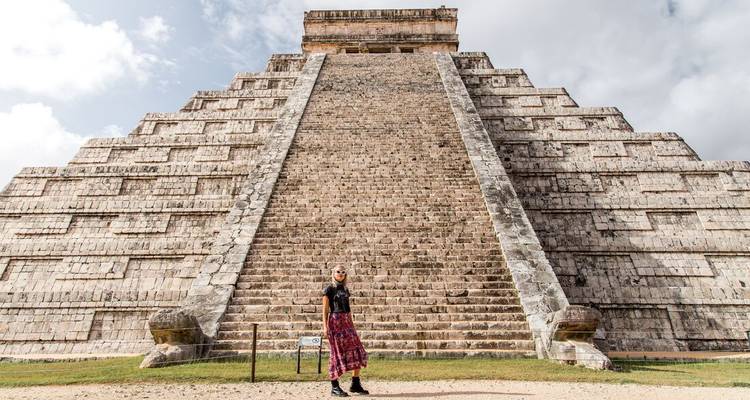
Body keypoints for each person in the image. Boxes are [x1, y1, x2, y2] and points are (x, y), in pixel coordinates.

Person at [323, 266, 369, 397]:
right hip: (335, 322)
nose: (341, 274)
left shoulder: (345, 289)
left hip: (347, 322)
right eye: (338, 271)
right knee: (336, 353)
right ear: (333, 273)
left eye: (343, 272)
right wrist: (325, 327)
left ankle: (355, 383)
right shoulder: (329, 289)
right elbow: (325, 310)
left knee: (358, 350)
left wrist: (352, 325)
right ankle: (334, 386)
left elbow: (348, 310)